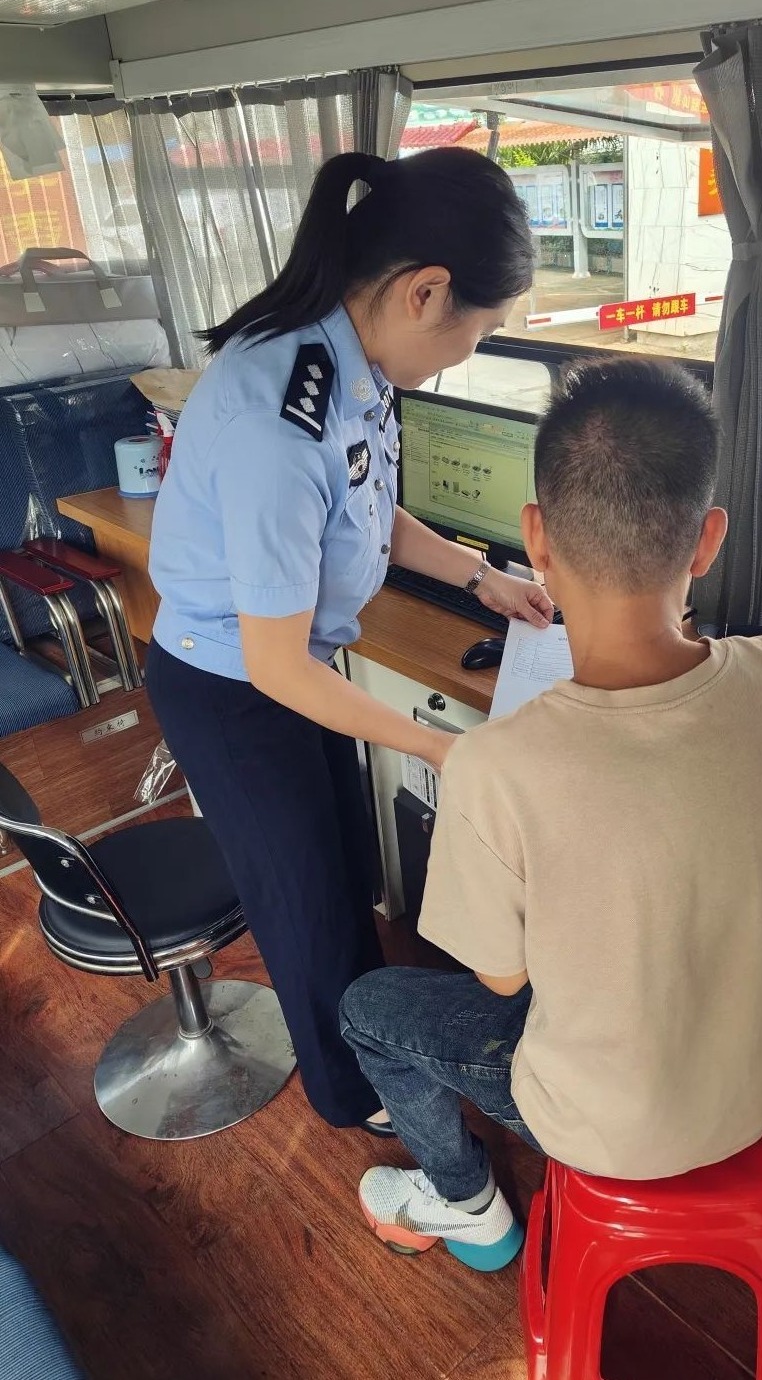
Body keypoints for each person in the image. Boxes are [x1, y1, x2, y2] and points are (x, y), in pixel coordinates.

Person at [340, 356, 762, 1272]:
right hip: (755, 1092)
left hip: (598, 1126)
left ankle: (465, 1205)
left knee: (367, 1007)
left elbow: (503, 980)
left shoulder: (496, 766)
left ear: (535, 538)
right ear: (708, 540)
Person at [146, 147, 550, 1136]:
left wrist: (483, 577)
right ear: (426, 292)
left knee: (345, 870)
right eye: (475, 334)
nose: (460, 358)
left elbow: (367, 509)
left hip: (298, 669)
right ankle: (352, 1093)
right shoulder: (278, 418)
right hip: (234, 690)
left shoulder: (351, 363)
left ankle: (374, 1038)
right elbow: (272, 664)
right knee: (304, 902)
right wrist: (440, 748)